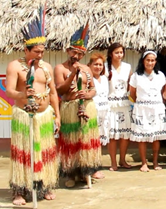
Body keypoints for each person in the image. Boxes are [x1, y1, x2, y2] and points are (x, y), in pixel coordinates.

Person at [6, 6, 60, 205]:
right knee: (23, 153)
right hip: (23, 114)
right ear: (26, 49)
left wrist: (57, 116)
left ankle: (43, 186)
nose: (40, 55)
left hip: (45, 115)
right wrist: (23, 94)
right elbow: (9, 91)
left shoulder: (46, 67)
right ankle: (19, 190)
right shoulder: (15, 66)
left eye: (42, 51)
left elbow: (53, 92)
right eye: (36, 52)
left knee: (44, 152)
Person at [55, 23, 103, 187]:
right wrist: (72, 75)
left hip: (86, 107)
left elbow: (93, 89)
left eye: (80, 53)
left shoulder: (87, 69)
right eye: (74, 52)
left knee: (85, 141)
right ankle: (70, 173)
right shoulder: (60, 68)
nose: (76, 55)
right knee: (70, 141)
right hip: (69, 107)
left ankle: (85, 172)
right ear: (68, 51)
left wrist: (88, 94)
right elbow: (59, 89)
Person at [129, 51, 166, 172]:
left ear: (155, 62)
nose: (150, 63)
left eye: (152, 60)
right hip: (142, 109)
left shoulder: (160, 75)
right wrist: (142, 104)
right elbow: (132, 94)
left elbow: (164, 92)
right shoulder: (136, 76)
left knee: (156, 137)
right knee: (143, 137)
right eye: (147, 60)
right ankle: (144, 163)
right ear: (143, 61)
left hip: (157, 109)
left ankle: (155, 162)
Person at [105, 43, 132, 171]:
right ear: (111, 54)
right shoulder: (105, 67)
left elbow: (131, 85)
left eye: (121, 52)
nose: (119, 55)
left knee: (124, 134)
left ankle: (122, 159)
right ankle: (113, 162)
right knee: (113, 135)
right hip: (110, 105)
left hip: (124, 104)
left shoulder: (127, 67)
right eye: (117, 52)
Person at [89, 53, 110, 146]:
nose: (98, 67)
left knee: (101, 137)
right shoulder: (88, 79)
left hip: (104, 112)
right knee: (91, 137)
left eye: (100, 64)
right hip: (93, 111)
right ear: (90, 65)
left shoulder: (104, 78)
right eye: (95, 64)